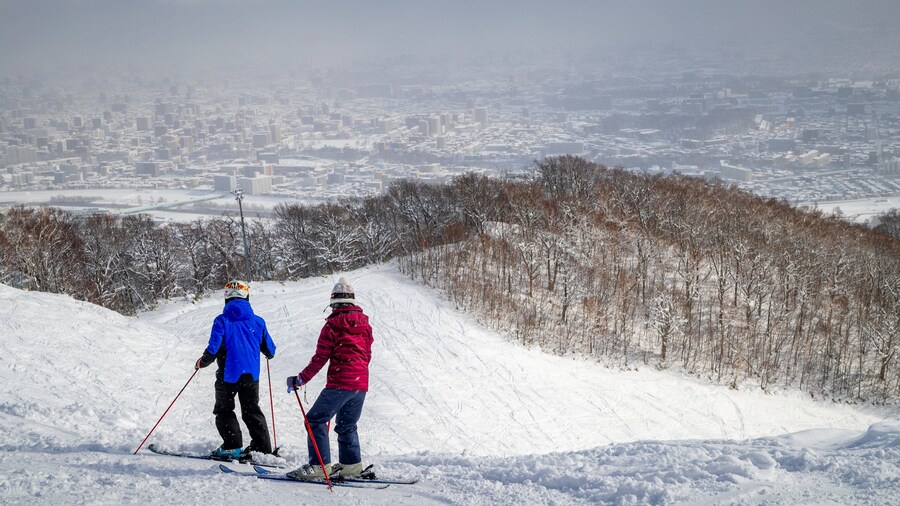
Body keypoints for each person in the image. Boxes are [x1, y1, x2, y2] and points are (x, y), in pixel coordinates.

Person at [285, 277, 373, 480]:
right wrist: (357, 375)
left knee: (315, 420)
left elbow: (320, 358)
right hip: (360, 384)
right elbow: (367, 355)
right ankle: (351, 466)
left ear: (333, 303)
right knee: (346, 425)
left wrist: (300, 379)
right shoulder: (366, 326)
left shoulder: (332, 325)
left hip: (340, 383)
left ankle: (318, 466)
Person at [195, 280, 277, 461]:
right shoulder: (258, 322)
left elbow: (213, 348)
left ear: (227, 298)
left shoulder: (222, 320)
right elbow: (270, 350)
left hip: (228, 375)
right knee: (252, 410)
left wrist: (202, 362)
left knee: (224, 409)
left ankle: (232, 446)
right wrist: (267, 353)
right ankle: (262, 449)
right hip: (251, 376)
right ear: (247, 296)